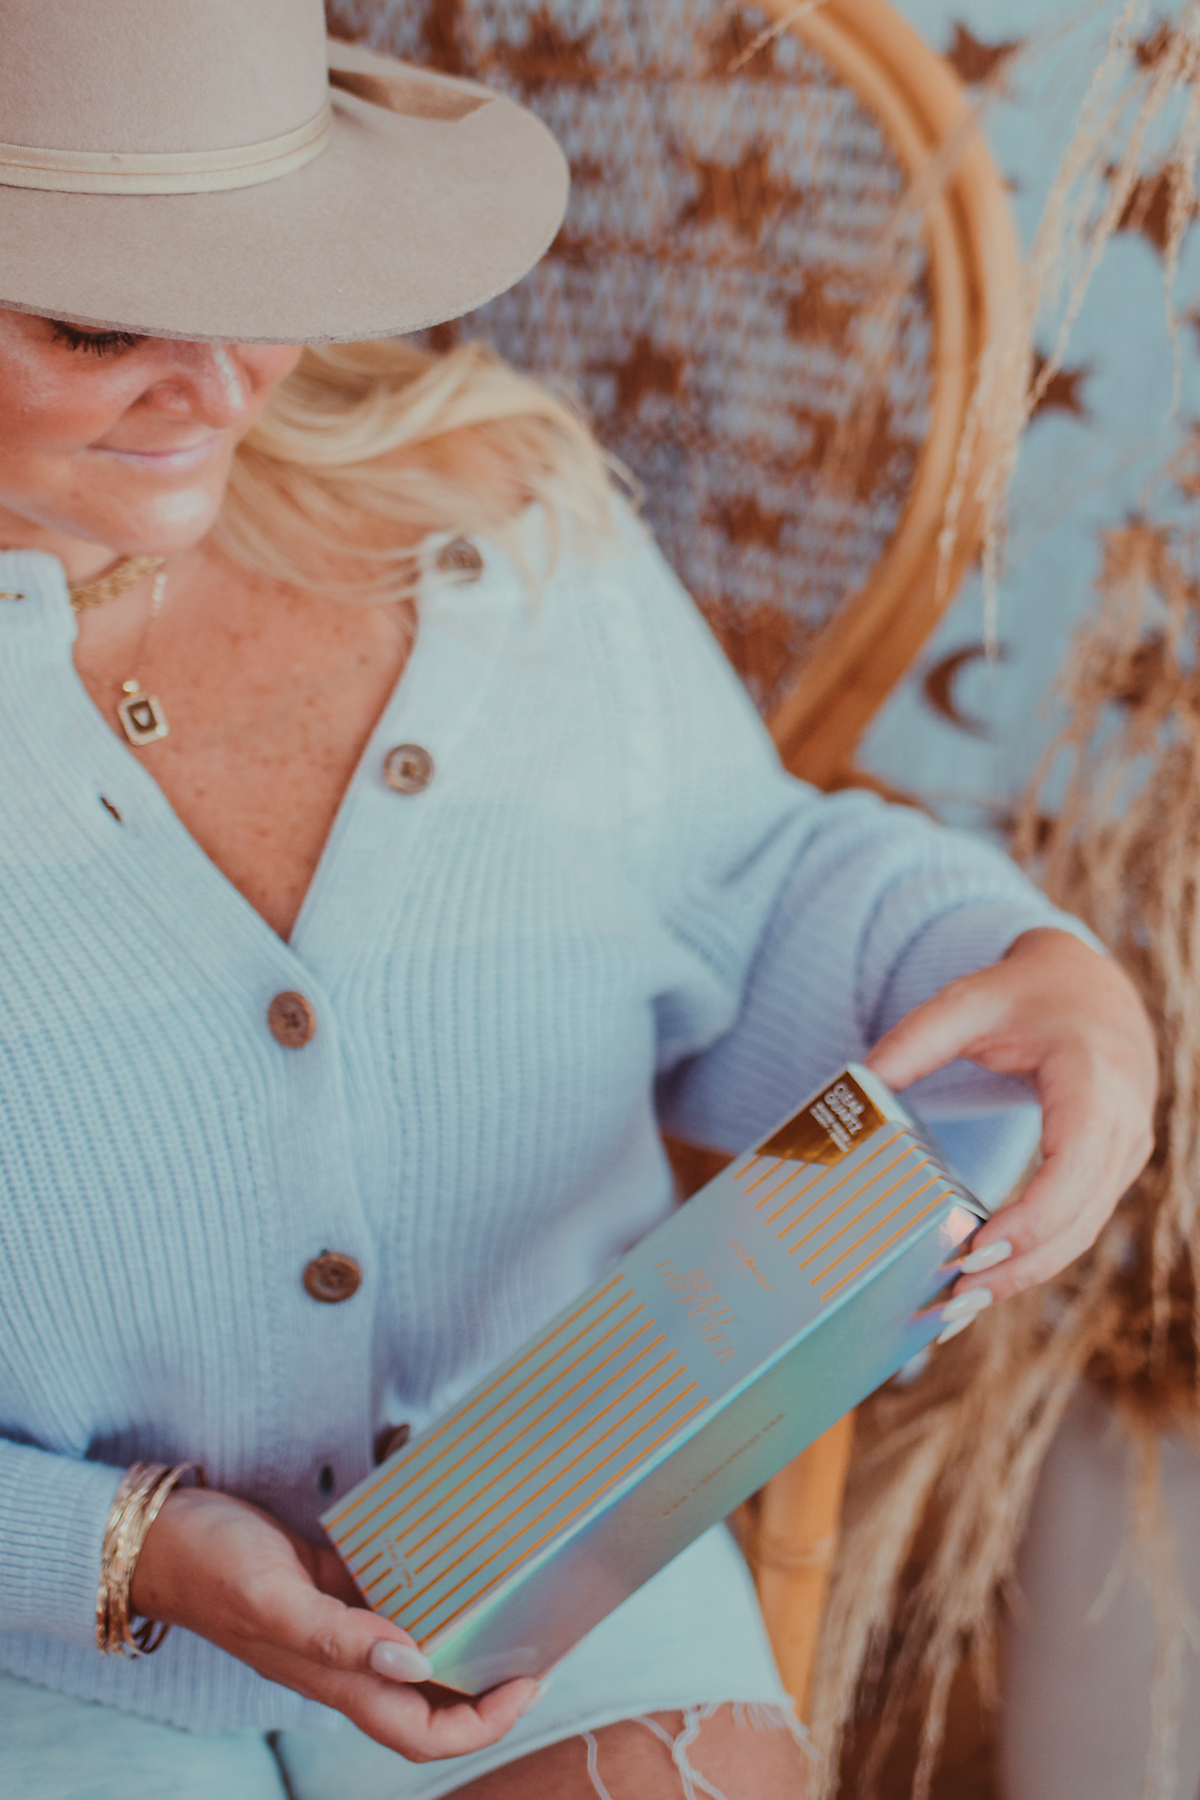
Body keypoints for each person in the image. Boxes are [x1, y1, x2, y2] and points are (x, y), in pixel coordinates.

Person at [0, 5, 1156, 1798]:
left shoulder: (484, 513)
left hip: (548, 1533)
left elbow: (752, 891)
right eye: (94, 318)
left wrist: (1028, 971)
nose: (228, 386)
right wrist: (113, 1550)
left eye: (258, 273)